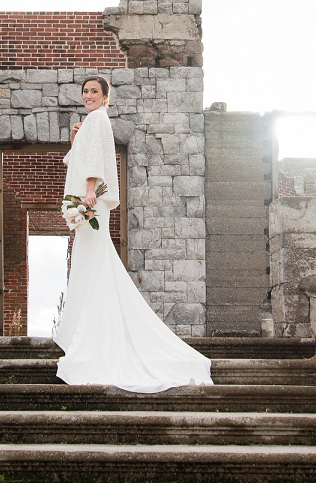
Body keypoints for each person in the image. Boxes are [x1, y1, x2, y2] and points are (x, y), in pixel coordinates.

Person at [52, 75, 213, 393]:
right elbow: (82, 158)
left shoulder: (98, 120)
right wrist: (74, 143)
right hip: (87, 197)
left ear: (105, 96)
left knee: (94, 260)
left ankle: (92, 334)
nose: (88, 95)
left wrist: (89, 190)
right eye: (85, 91)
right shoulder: (90, 122)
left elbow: (97, 160)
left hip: (90, 199)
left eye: (94, 91)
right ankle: (89, 328)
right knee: (89, 261)